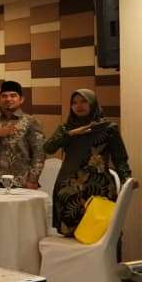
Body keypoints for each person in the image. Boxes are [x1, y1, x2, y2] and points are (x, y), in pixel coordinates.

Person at [44, 89, 132, 236]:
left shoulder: (108, 128)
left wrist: (126, 178)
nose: (79, 106)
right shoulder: (66, 129)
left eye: (84, 101)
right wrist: (71, 134)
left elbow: (120, 158)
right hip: (70, 187)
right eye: (74, 103)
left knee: (98, 233)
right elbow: (48, 148)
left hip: (99, 186)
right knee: (71, 236)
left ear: (92, 103)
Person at [0, 80, 45, 189]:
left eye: (13, 95)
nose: (8, 99)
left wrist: (33, 180)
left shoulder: (30, 121)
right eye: (4, 96)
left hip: (21, 182)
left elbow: (39, 153)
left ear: (21, 99)